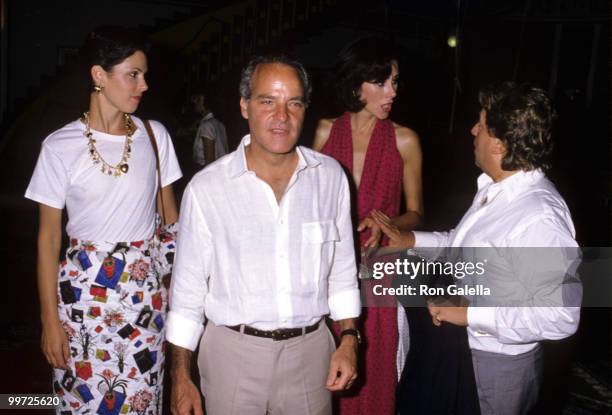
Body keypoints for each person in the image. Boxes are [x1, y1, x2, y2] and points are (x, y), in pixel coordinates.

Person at [167, 56, 361, 415]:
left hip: (311, 354)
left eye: (294, 103)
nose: (282, 116)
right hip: (232, 356)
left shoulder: (331, 177)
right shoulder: (208, 188)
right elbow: (186, 291)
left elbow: (343, 271)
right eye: (267, 101)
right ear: (244, 106)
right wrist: (181, 376)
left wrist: (349, 339)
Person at [374, 82, 581, 415]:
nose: (472, 131)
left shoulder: (539, 215)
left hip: (496, 368)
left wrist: (469, 313)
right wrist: (410, 240)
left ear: (499, 144)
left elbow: (558, 316)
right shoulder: (497, 189)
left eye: (481, 125)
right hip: (465, 352)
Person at [25, 26, 182, 414]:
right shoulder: (59, 146)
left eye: (145, 75)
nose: (143, 85)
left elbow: (172, 224)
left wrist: (181, 297)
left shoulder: (154, 135)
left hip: (145, 298)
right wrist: (49, 320)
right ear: (99, 75)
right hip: (81, 300)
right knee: (80, 400)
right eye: (133, 74)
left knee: (142, 400)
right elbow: (47, 241)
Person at [312, 37, 423, 415]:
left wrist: (387, 222)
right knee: (322, 368)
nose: (392, 91)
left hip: (379, 272)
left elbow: (417, 213)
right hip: (325, 268)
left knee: (374, 371)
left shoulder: (405, 139)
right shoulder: (325, 133)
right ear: (357, 84)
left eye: (395, 82)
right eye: (383, 82)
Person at [190, 88, 229, 168]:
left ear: (202, 101)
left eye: (197, 99)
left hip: (208, 171)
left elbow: (209, 163)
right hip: (222, 170)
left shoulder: (207, 125)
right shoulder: (219, 124)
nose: (194, 102)